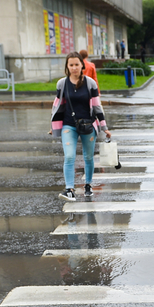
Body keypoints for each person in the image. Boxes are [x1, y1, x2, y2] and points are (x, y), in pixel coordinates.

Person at [49, 51, 111, 201]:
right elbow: (57, 106)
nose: (74, 67)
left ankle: (88, 185)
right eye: (71, 65)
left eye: (77, 64)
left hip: (88, 125)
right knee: (69, 156)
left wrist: (104, 127)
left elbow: (97, 106)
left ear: (82, 65)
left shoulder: (90, 83)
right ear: (67, 66)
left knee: (88, 157)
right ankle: (69, 189)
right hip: (68, 125)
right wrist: (54, 126)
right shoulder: (62, 84)